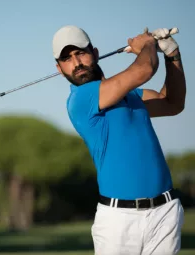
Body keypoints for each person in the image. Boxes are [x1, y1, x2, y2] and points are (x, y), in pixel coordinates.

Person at [52, 25, 186, 255]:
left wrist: (172, 54)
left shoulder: (131, 95)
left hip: (165, 212)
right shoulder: (81, 99)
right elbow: (144, 69)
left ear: (94, 53)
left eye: (81, 53)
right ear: (59, 68)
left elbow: (172, 103)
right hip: (119, 221)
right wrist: (147, 44)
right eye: (67, 58)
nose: (76, 63)